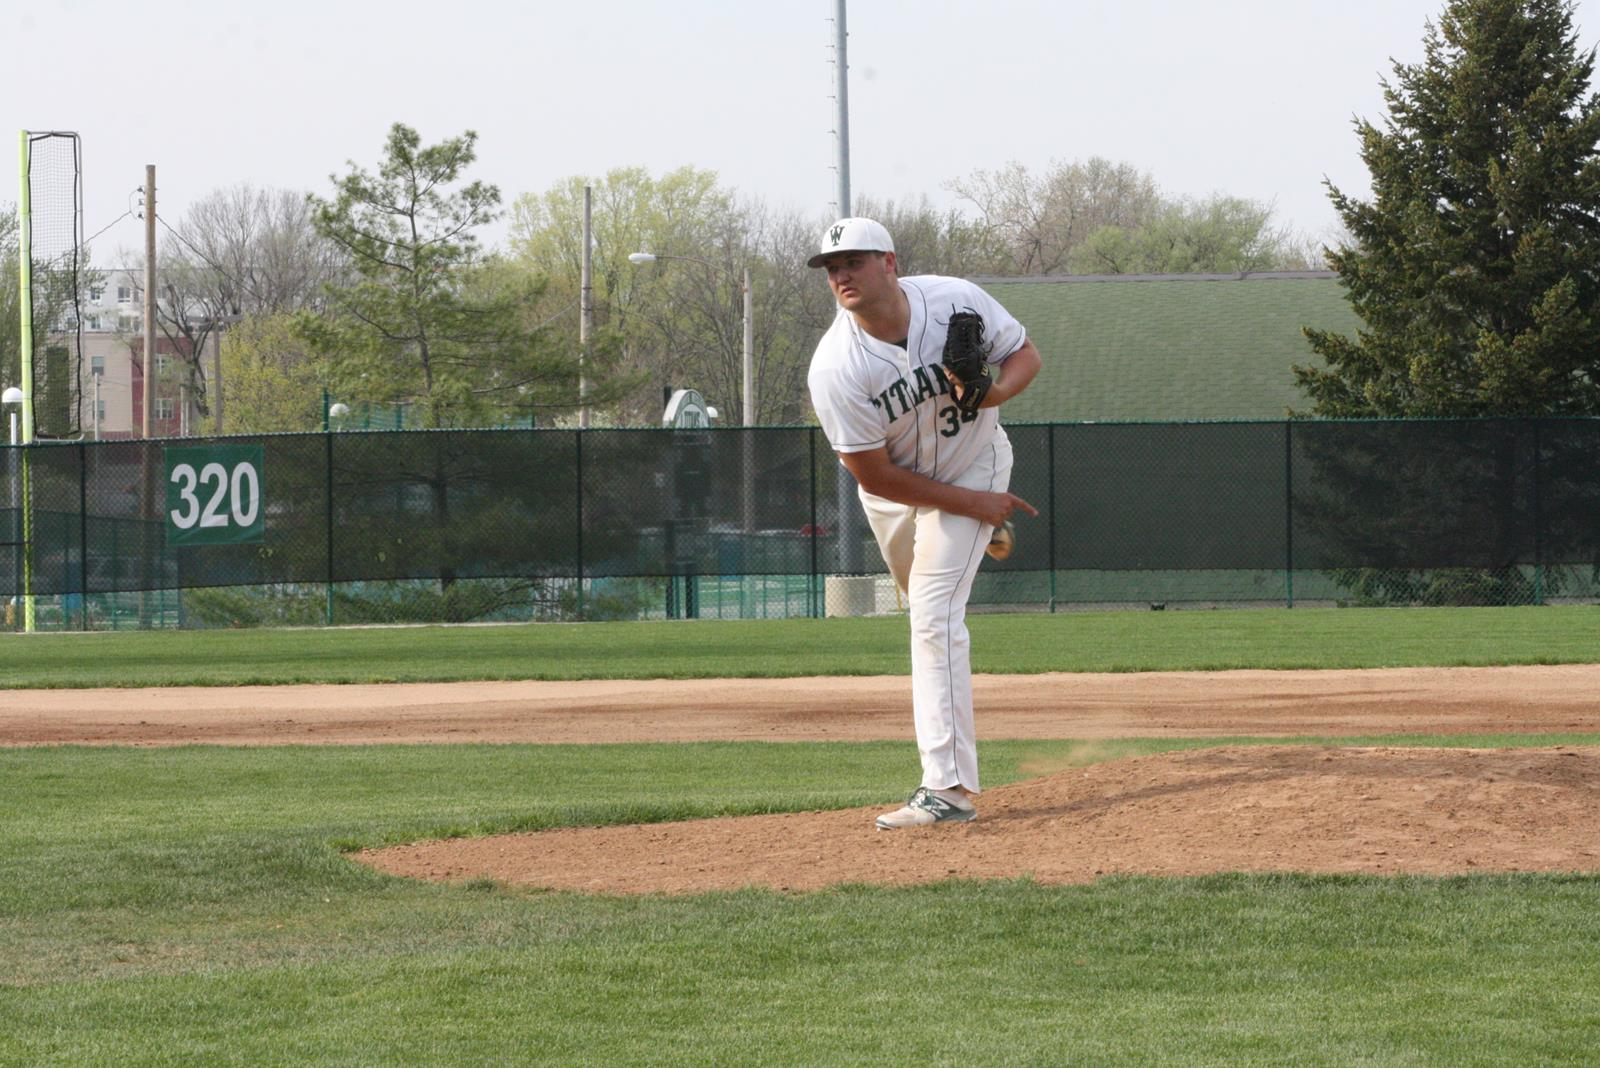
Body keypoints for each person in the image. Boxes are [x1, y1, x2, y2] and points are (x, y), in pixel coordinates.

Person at [805, 217, 1041, 829]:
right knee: (924, 607)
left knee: (934, 617)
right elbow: (874, 477)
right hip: (896, 493)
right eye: (833, 268)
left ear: (889, 262)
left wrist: (992, 396)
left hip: (975, 463)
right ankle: (980, 529)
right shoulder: (837, 368)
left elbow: (1024, 355)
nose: (842, 275)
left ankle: (948, 790)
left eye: (853, 261)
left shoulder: (955, 299)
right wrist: (976, 511)